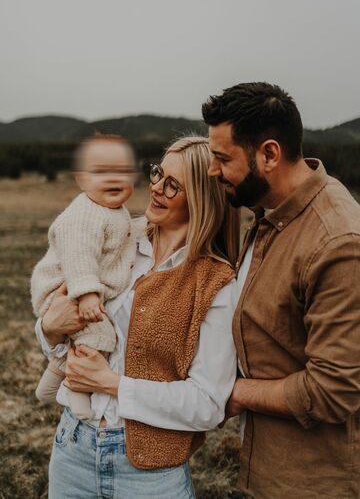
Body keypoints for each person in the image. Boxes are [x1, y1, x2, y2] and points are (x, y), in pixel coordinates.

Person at [35, 136, 241, 498]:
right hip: (73, 449)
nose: (156, 188)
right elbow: (65, 320)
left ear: (202, 199)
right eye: (158, 173)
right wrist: (49, 330)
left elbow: (207, 404)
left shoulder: (215, 282)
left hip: (150, 474)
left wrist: (110, 383)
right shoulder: (117, 237)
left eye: (173, 184)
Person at [202, 82, 360, 498]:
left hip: (311, 482)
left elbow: (334, 390)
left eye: (222, 158)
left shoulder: (338, 242)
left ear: (269, 154)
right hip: (262, 469)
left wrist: (235, 392)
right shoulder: (269, 211)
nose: (213, 171)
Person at [31, 133, 137, 421]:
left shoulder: (114, 210)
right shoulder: (84, 215)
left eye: (121, 171)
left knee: (86, 334)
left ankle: (50, 383)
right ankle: (77, 388)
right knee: (99, 335)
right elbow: (79, 256)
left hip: (79, 288)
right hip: (66, 289)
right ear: (81, 180)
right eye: (101, 172)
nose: (112, 178)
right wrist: (87, 293)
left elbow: (121, 240)